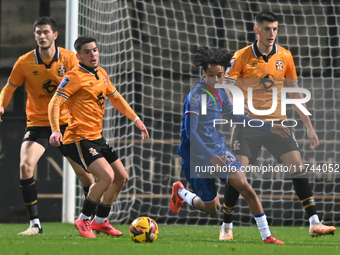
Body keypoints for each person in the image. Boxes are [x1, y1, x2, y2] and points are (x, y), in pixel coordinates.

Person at [223, 11, 336, 238]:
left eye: (275, 29)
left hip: (278, 124)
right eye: (267, 29)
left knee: (298, 166)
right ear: (257, 30)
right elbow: (226, 86)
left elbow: (294, 94)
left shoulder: (285, 56)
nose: (272, 33)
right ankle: (227, 225)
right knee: (237, 176)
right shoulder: (242, 56)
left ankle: (314, 222)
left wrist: (309, 125)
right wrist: (236, 104)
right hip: (249, 125)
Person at [170, 46, 290, 243]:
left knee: (245, 186)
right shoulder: (196, 97)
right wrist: (211, 157)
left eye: (220, 75)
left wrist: (269, 127)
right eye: (211, 75)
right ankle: (181, 192)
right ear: (203, 73)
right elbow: (191, 134)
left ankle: (267, 236)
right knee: (212, 208)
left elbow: (236, 117)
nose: (216, 80)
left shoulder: (220, 93)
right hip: (195, 155)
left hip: (217, 148)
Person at [0, 17, 94, 236]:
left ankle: (90, 220)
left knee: (87, 176)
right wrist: (1, 105)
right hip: (39, 124)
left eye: (45, 32)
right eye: (38, 33)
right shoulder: (24, 62)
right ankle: (35, 224)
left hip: (67, 124)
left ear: (55, 35)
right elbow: (9, 87)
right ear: (35, 36)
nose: (41, 36)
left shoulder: (70, 59)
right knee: (25, 166)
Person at [48, 36, 149, 238]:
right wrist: (56, 129)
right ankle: (83, 219)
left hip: (97, 137)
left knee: (121, 177)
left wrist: (135, 118)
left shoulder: (101, 73)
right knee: (106, 177)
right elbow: (54, 102)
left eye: (94, 50)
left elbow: (116, 98)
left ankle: (101, 221)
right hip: (79, 137)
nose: (93, 54)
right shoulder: (73, 76)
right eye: (87, 52)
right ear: (78, 56)